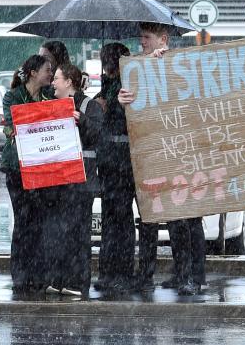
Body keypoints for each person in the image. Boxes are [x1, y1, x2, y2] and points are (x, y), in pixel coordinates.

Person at [117, 24, 204, 296]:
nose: (141, 42)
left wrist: (163, 66)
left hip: (176, 153)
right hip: (149, 153)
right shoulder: (135, 69)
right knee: (149, 219)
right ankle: (146, 276)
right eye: (141, 37)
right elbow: (133, 106)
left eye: (147, 37)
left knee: (179, 218)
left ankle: (186, 275)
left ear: (163, 40)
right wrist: (123, 100)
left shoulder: (178, 65)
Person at [43, 63, 101, 296]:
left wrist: (82, 120)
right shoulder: (51, 104)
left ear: (69, 82)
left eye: (57, 78)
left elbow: (99, 136)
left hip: (81, 182)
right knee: (58, 233)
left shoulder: (90, 106)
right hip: (58, 180)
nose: (53, 82)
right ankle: (58, 280)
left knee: (78, 234)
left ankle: (77, 283)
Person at [0, 54, 54, 293]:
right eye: (47, 69)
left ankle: (38, 273)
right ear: (33, 72)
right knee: (23, 221)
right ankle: (20, 274)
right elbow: (17, 122)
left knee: (40, 222)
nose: (50, 74)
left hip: (41, 166)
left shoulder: (50, 96)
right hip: (17, 168)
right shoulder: (13, 96)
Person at [93, 42, 135, 294]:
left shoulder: (126, 85)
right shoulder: (109, 84)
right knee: (113, 217)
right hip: (111, 159)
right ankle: (110, 271)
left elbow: (119, 117)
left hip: (120, 158)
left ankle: (120, 271)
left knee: (120, 217)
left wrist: (109, 106)